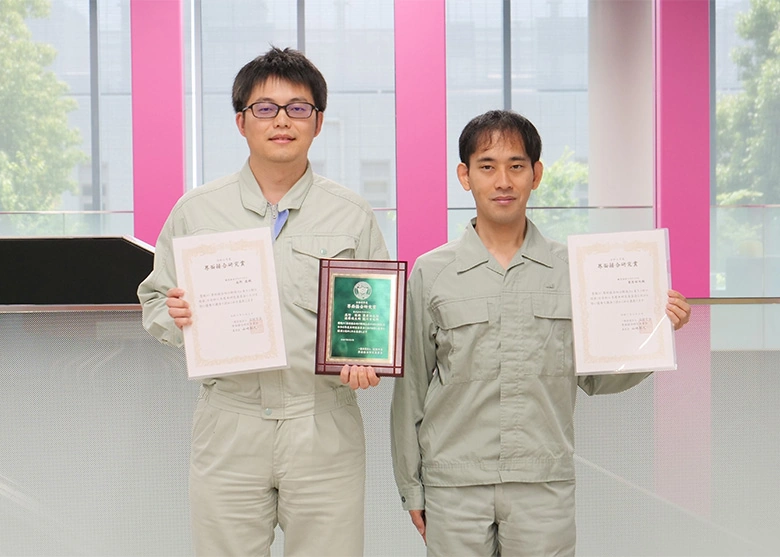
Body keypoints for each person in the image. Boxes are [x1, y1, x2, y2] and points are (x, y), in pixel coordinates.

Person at [389, 110, 691, 556]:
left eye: (516, 165)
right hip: (453, 484)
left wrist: (656, 334)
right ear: (465, 176)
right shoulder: (432, 272)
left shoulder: (574, 270)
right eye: (487, 166)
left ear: (537, 174)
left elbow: (597, 378)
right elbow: (411, 388)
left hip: (543, 483)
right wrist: (410, 486)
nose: (503, 181)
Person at [138, 47, 388, 556]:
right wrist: (176, 315)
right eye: (265, 108)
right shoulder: (197, 211)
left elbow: (374, 318)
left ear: (318, 122)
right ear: (241, 122)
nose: (282, 121)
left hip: (323, 423)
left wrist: (368, 361)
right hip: (231, 423)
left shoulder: (351, 214)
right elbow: (155, 299)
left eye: (298, 108)